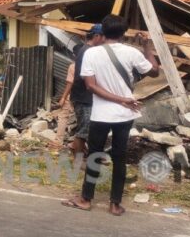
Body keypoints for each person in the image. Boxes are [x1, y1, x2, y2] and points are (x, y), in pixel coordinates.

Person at [63, 15, 159, 216]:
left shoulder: (90, 53)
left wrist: (119, 99)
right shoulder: (132, 52)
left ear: (102, 32)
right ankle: (115, 204)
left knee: (94, 156)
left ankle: (86, 199)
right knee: (119, 157)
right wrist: (147, 46)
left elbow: (91, 86)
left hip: (100, 115)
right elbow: (154, 71)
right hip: (125, 115)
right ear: (123, 33)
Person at [68, 24, 106, 158]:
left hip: (84, 96)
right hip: (83, 97)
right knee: (84, 130)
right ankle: (78, 161)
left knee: (86, 128)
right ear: (97, 36)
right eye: (104, 37)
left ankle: (83, 156)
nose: (105, 41)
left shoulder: (87, 50)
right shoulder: (87, 51)